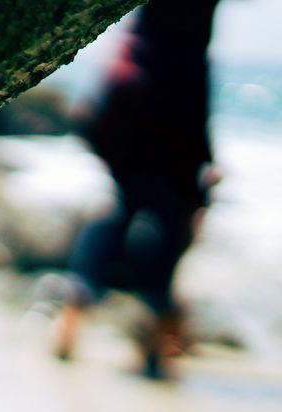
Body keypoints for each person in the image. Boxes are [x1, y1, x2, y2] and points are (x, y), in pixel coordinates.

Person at [53, 0, 222, 379]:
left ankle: (72, 317)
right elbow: (192, 87)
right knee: (172, 217)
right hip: (170, 97)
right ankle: (160, 340)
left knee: (123, 204)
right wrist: (205, 159)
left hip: (121, 94)